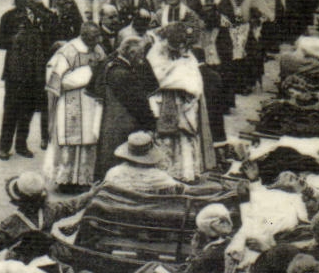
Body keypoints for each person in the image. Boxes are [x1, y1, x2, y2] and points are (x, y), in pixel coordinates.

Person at [0, 171, 97, 259]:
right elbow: (72, 205)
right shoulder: (51, 210)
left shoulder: (11, 223)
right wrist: (91, 194)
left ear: (17, 198)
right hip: (47, 256)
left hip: (20, 263)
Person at [144, 25, 216, 182]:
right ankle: (164, 173)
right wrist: (176, 72)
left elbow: (194, 78)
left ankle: (186, 172)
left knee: (184, 138)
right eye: (175, 47)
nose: (179, 50)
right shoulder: (156, 52)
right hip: (164, 102)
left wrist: (183, 79)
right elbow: (155, 76)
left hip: (184, 104)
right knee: (166, 140)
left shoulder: (187, 55)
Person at [44, 22, 107, 192]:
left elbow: (103, 71)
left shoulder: (98, 50)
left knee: (88, 139)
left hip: (91, 104)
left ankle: (83, 179)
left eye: (98, 37)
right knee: (71, 141)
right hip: (71, 101)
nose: (97, 41)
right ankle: (66, 181)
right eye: (93, 38)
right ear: (83, 36)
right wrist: (85, 75)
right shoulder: (68, 51)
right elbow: (55, 79)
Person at [0, 0, 51, 160]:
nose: (38, 2)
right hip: (15, 73)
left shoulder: (42, 17)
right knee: (11, 109)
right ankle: (5, 147)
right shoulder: (9, 17)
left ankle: (21, 145)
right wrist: (13, 39)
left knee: (27, 110)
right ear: (23, 0)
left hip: (35, 73)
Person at [94, 35, 157, 180]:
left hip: (112, 122)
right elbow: (138, 104)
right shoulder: (123, 73)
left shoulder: (112, 66)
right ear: (131, 53)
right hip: (123, 124)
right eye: (140, 55)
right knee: (121, 163)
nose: (142, 60)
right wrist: (150, 124)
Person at [102, 131, 184, 192]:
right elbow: (180, 188)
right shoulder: (158, 177)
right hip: (148, 213)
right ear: (150, 152)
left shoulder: (113, 173)